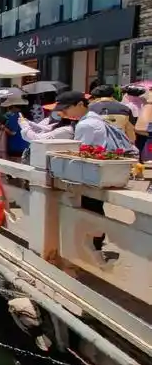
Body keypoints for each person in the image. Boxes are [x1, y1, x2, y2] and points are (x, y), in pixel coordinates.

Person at [54, 90, 138, 251]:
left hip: (91, 174)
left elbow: (83, 151)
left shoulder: (86, 124)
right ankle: (94, 245)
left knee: (91, 209)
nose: (63, 112)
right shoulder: (95, 118)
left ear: (80, 104)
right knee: (95, 208)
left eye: (66, 108)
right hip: (100, 171)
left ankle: (93, 247)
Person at [0, 96, 29, 161]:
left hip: (16, 148)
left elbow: (13, 133)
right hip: (24, 147)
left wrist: (2, 127)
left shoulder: (14, 117)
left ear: (12, 106)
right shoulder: (22, 115)